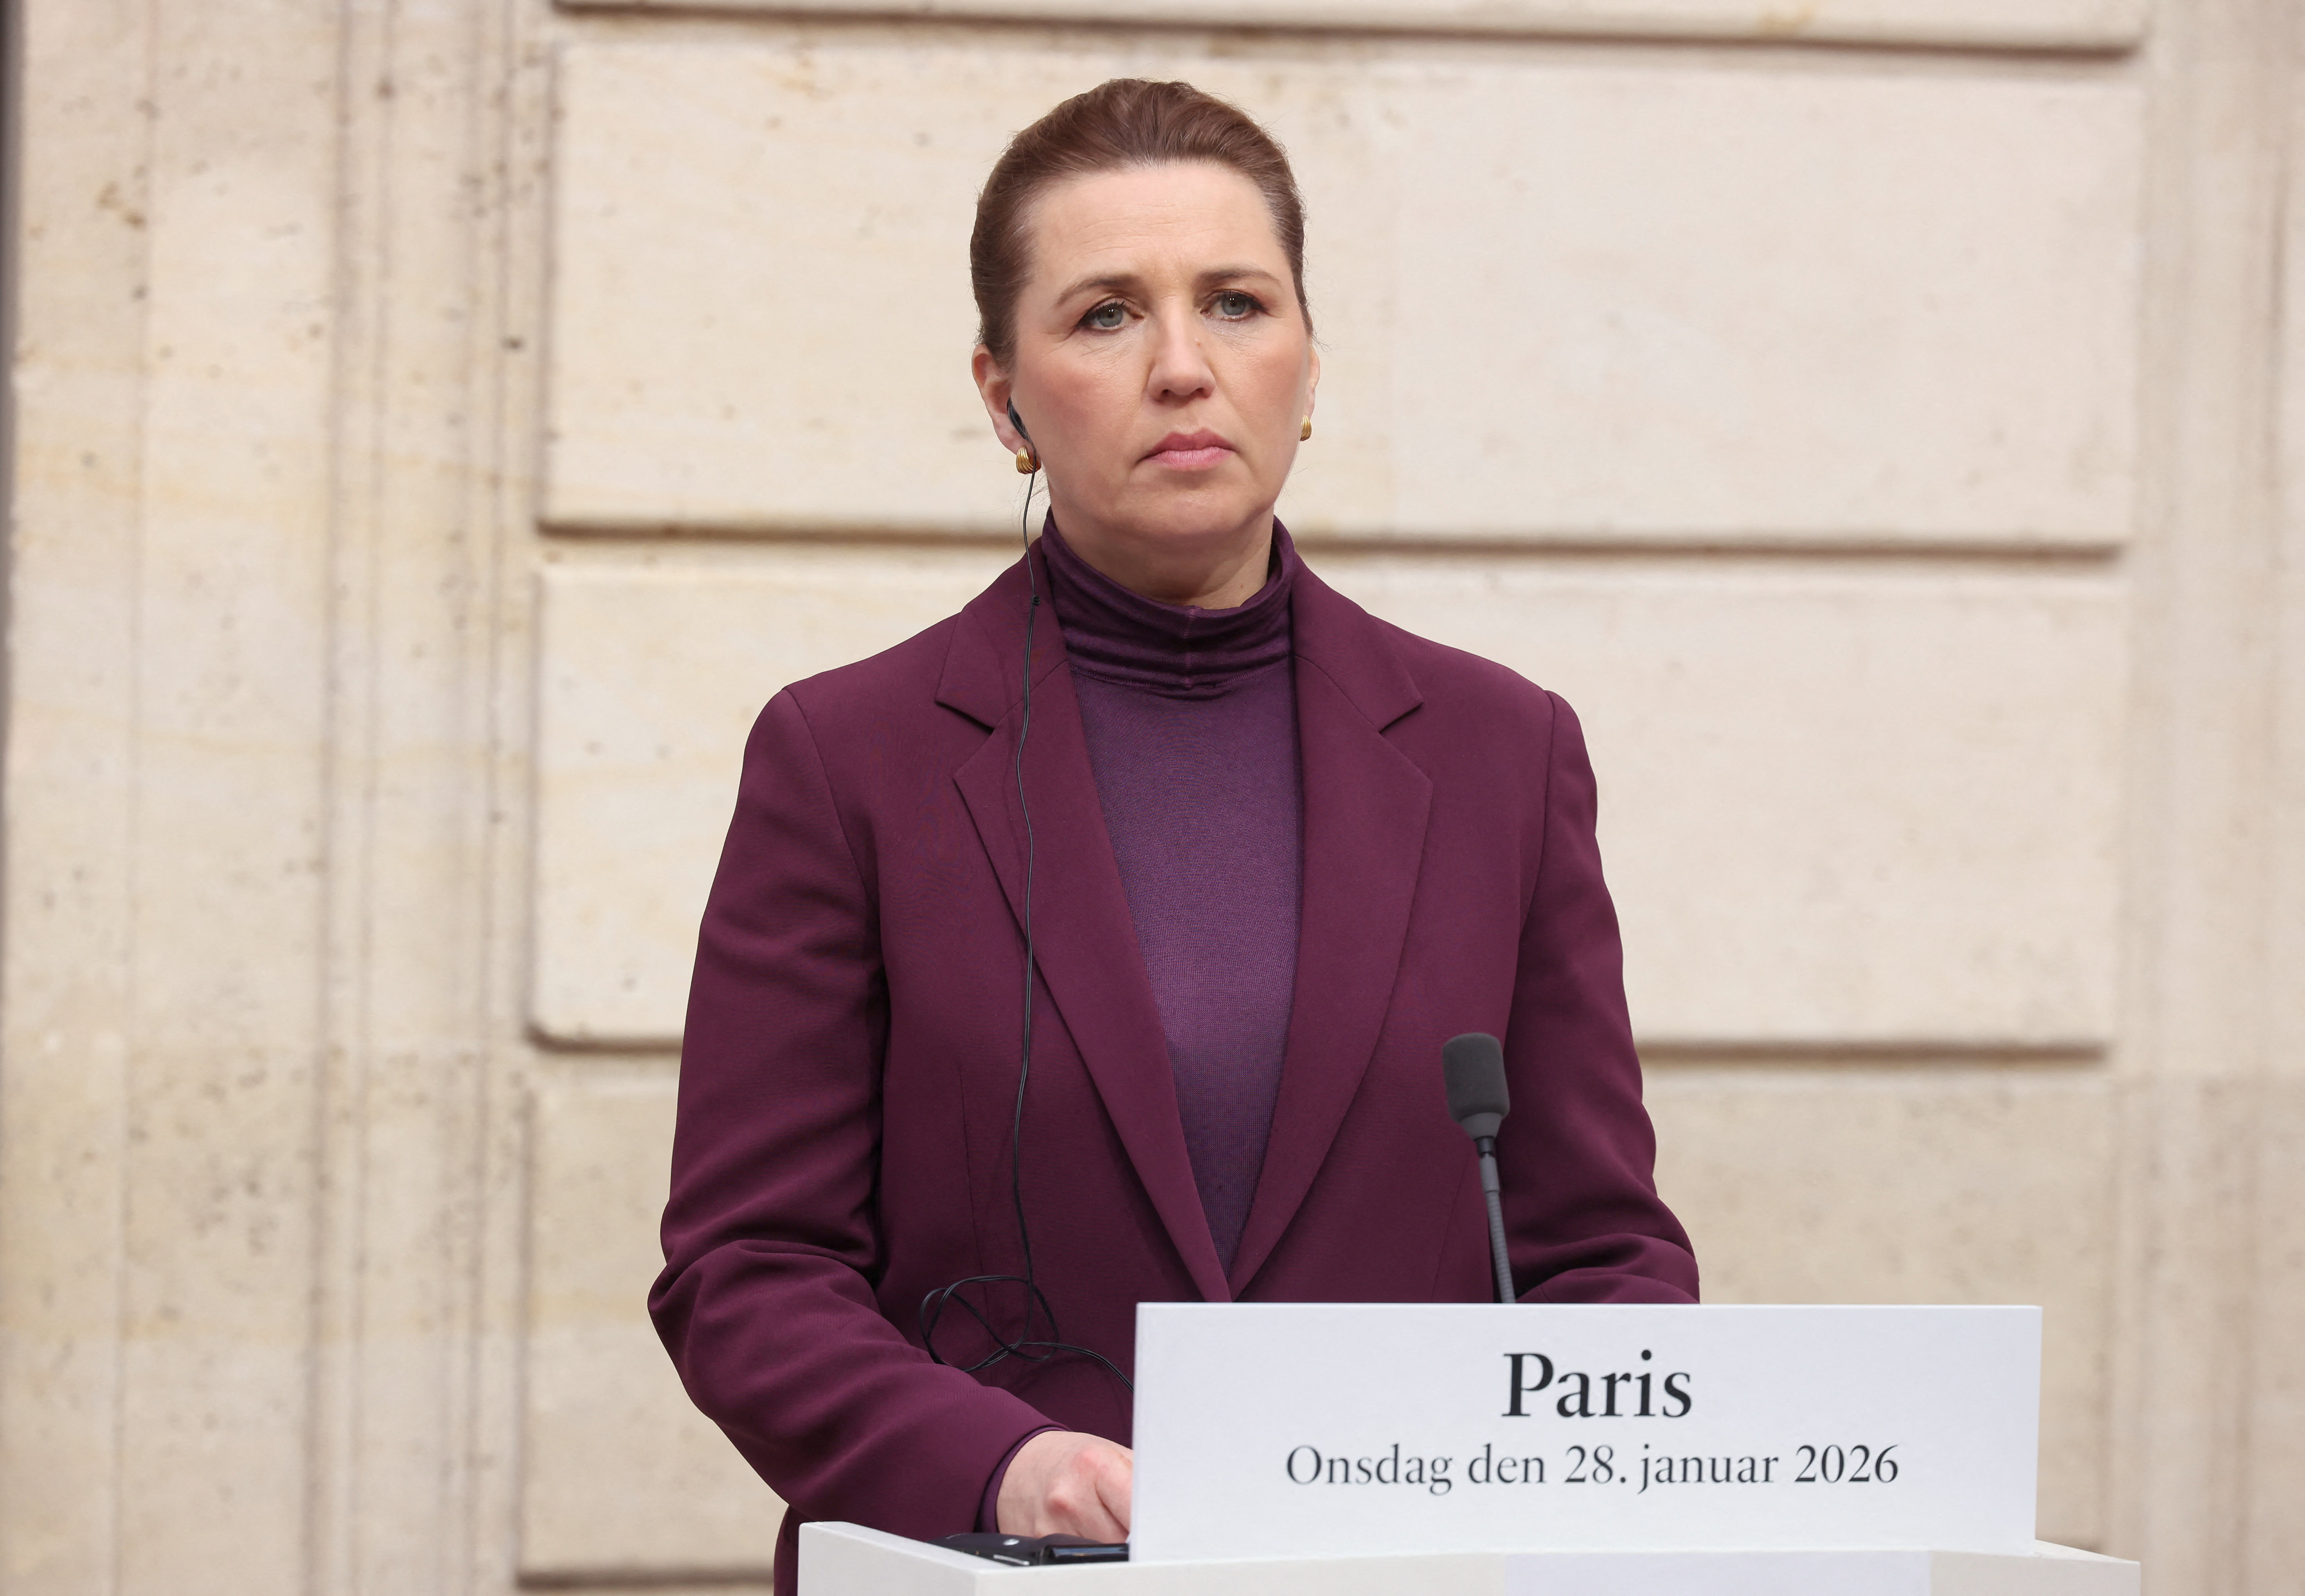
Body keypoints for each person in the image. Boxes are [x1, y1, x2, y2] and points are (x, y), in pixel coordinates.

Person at [650, 78, 1697, 1593]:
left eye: (1234, 302)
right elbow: (746, 1272)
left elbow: (1602, 1255)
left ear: (1309, 362)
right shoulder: (844, 758)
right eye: (1101, 316)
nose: (1183, 366)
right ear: (1002, 396)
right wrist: (1007, 1464)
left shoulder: (1500, 751)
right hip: (987, 1569)